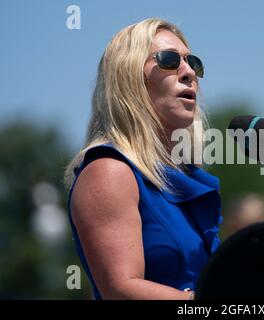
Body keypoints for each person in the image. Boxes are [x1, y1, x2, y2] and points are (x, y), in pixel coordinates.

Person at [64, 18, 222, 300]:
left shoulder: (183, 178)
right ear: (129, 77)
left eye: (193, 62)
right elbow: (120, 289)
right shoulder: (109, 171)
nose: (188, 73)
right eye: (169, 60)